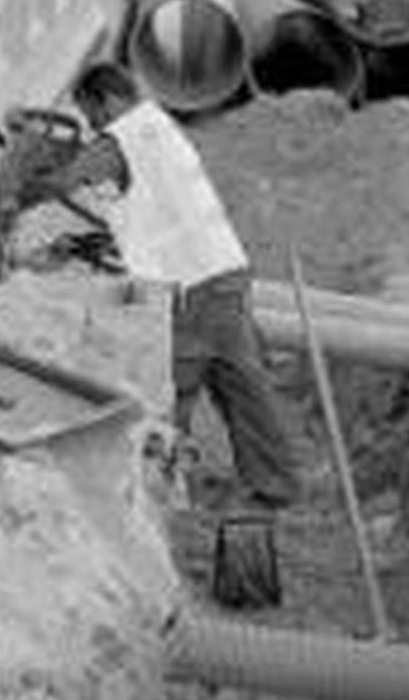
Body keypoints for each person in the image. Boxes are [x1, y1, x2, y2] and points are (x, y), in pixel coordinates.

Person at [40, 61, 301, 585]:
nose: (90, 125)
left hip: (194, 285)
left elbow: (68, 181)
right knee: (241, 384)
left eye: (90, 113)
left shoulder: (124, 136)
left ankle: (164, 492)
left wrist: (28, 168)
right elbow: (146, 206)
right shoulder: (159, 124)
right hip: (224, 269)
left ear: (104, 100)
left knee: (173, 387)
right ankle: (274, 483)